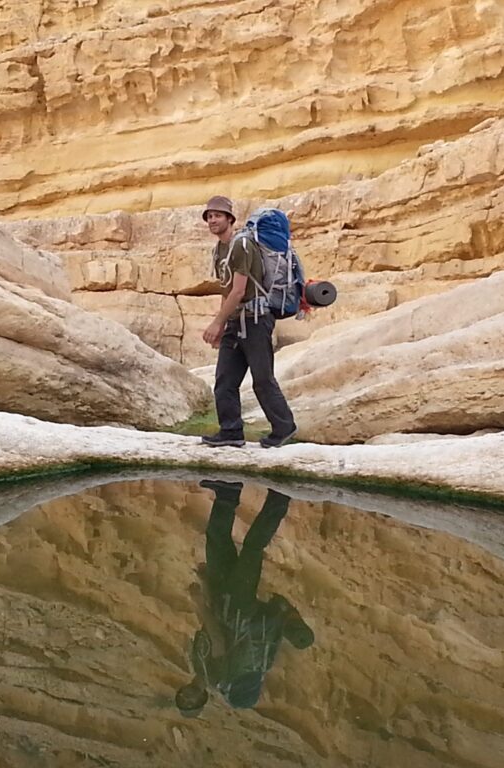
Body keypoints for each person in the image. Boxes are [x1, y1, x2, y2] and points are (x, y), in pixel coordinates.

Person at [175, 480, 314, 717]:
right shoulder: (215, 678)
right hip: (238, 610)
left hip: (221, 597)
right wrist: (198, 603)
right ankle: (279, 497)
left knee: (217, 538)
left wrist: (205, 585)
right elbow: (218, 639)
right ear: (202, 699)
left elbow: (210, 623)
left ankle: (228, 492)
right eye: (192, 702)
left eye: (182, 699)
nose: (187, 697)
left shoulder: (197, 665)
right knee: (251, 549)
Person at [200, 196, 298, 449]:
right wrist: (224, 324)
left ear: (230, 219)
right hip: (236, 321)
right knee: (224, 380)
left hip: (256, 320)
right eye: (209, 216)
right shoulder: (219, 250)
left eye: (217, 216)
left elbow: (239, 291)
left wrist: (216, 323)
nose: (212, 220)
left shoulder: (241, 244)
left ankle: (284, 427)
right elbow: (226, 290)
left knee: (262, 379)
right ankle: (231, 431)